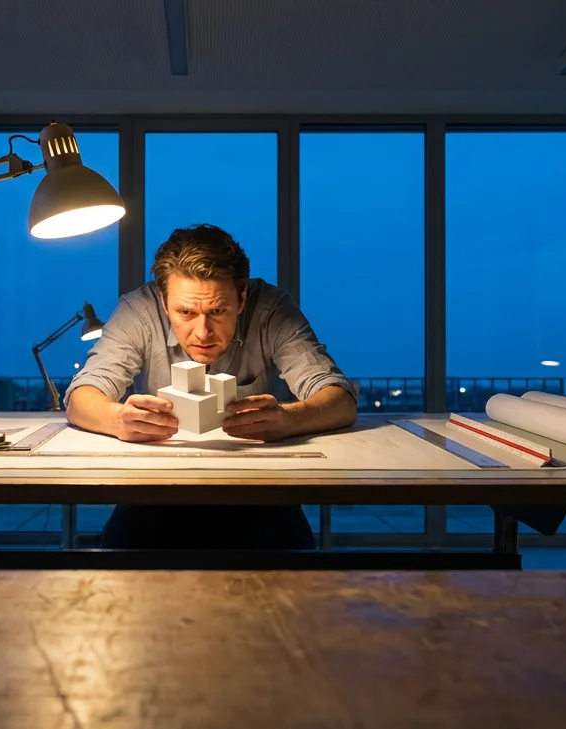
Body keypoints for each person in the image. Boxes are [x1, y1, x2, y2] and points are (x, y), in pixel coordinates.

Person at [65, 224, 358, 549]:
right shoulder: (139, 311)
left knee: (301, 566)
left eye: (218, 311)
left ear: (242, 297)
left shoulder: (272, 310)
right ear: (164, 302)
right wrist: (117, 419)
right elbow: (81, 398)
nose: (203, 331)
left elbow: (340, 399)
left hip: (260, 487)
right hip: (155, 486)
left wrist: (290, 419)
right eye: (186, 312)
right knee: (115, 566)